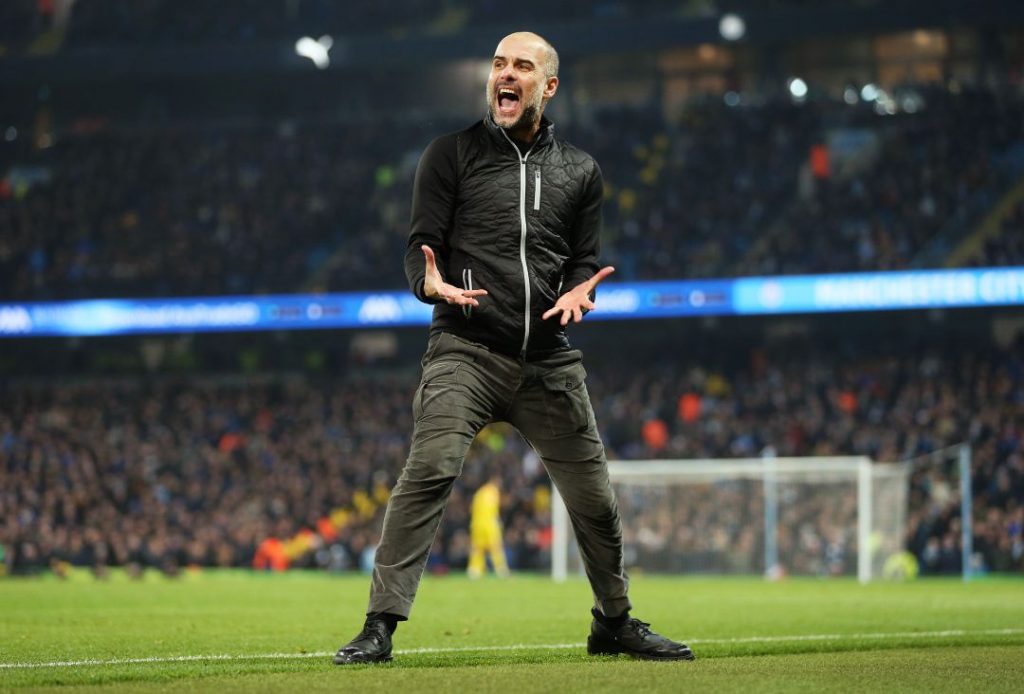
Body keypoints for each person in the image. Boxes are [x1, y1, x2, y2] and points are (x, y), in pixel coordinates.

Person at [334, 31, 694, 665]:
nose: (505, 73)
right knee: (430, 471)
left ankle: (613, 622)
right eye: (498, 63)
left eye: (521, 66)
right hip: (464, 350)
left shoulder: (581, 171)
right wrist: (430, 283)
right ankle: (379, 626)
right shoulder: (448, 155)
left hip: (549, 358)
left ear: (547, 87)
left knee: (594, 500)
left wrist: (583, 288)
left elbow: (584, 258)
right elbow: (420, 250)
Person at [467, 475, 510, 579]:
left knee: (477, 548)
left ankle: (474, 571)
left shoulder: (478, 493)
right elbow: (494, 509)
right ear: (494, 481)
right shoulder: (493, 491)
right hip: (490, 524)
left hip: (476, 524)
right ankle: (501, 570)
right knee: (496, 547)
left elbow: (471, 509)